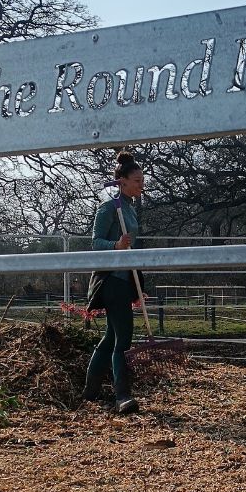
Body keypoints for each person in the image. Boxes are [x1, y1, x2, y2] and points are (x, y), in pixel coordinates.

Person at [83, 152, 145, 413]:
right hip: (110, 281)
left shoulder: (129, 208)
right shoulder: (108, 208)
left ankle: (90, 391)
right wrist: (116, 245)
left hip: (125, 279)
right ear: (121, 181)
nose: (141, 185)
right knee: (123, 339)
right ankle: (122, 396)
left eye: (143, 180)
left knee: (111, 337)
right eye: (137, 181)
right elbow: (95, 243)